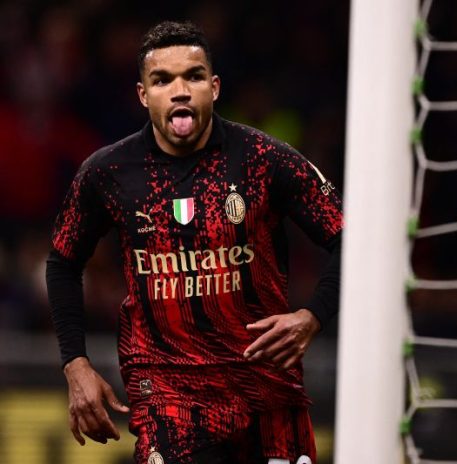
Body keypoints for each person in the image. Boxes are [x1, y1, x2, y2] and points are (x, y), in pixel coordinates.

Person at [45, 20, 342, 464]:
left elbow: (350, 239)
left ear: (214, 87)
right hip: (169, 398)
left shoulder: (265, 159)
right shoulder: (107, 173)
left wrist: (313, 315)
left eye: (194, 76)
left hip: (265, 393)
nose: (180, 91)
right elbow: (62, 262)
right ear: (143, 95)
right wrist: (75, 363)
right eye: (163, 80)